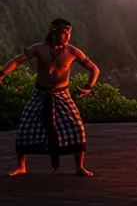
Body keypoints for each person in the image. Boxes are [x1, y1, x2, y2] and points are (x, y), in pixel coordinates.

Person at [0, 19, 100, 177]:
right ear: (54, 33)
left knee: (77, 128)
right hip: (40, 93)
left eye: (69, 33)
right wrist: (2, 74)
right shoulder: (39, 48)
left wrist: (88, 87)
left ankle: (79, 167)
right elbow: (17, 61)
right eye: (64, 33)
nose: (67, 36)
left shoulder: (73, 52)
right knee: (25, 128)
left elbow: (94, 69)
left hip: (63, 94)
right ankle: (21, 166)